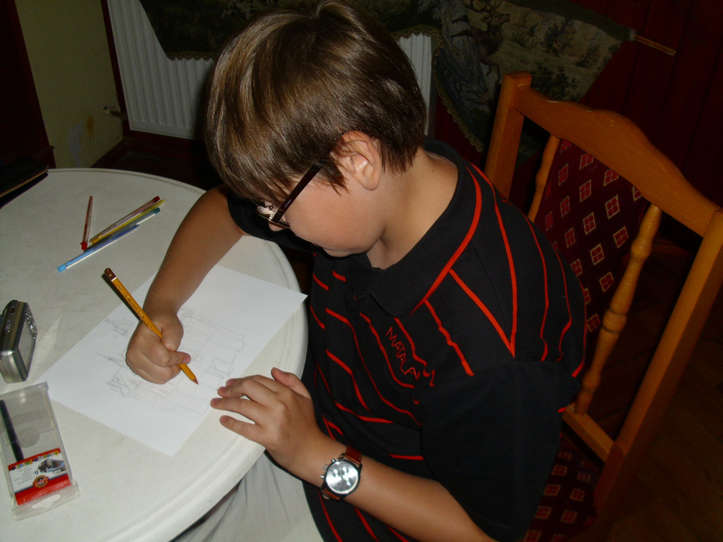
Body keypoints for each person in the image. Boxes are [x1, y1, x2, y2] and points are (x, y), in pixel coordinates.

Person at [125, 2, 586, 541]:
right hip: (316, 415)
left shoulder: (490, 350)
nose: (272, 222)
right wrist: (161, 305)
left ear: (356, 160)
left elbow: (480, 533)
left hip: (370, 503)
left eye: (278, 206)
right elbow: (223, 209)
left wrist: (315, 456)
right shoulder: (391, 177)